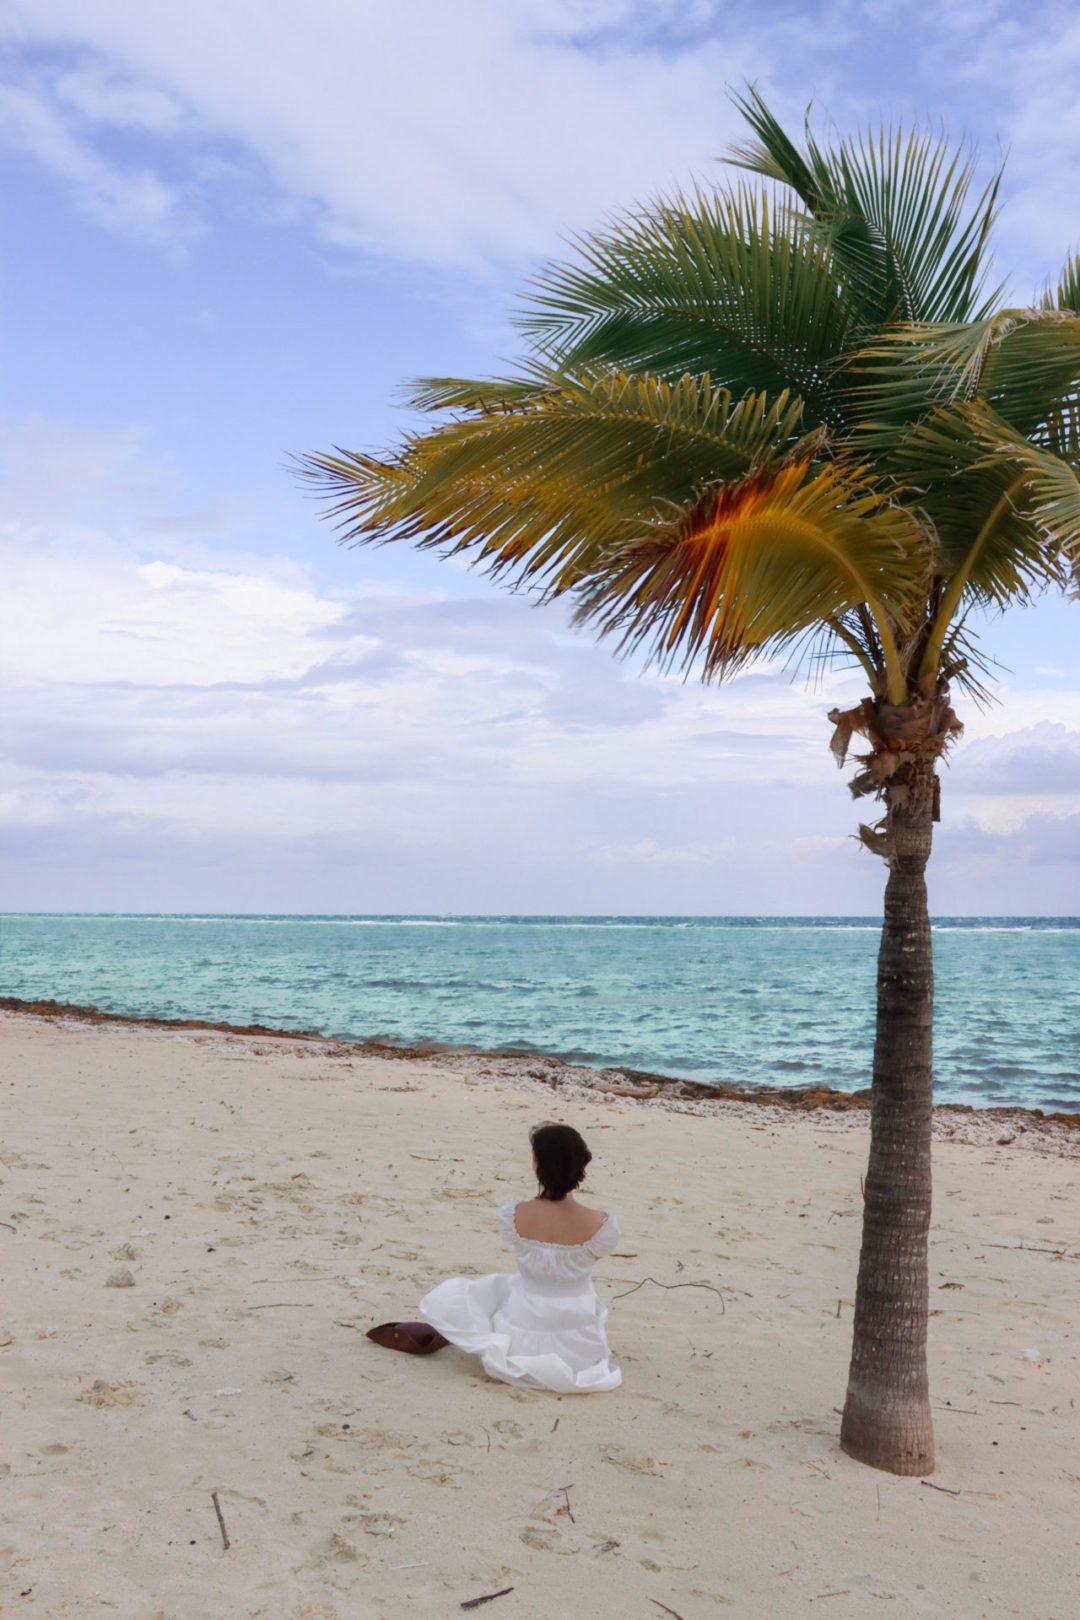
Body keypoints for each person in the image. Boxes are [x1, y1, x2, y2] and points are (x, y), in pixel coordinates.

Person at [367, 1122, 622, 1393]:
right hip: (576, 1322)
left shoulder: (514, 1214)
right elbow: (576, 1265)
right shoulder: (601, 1224)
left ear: (537, 1165)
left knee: (493, 1289)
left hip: (524, 1316)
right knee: (512, 1286)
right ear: (580, 1166)